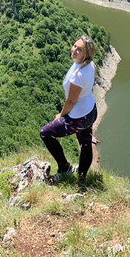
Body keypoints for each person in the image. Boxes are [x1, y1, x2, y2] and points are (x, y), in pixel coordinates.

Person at [40, 35, 97, 183]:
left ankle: (64, 167)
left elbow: (71, 101)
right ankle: (82, 177)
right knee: (86, 143)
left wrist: (61, 115)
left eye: (79, 49)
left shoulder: (78, 76)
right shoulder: (90, 65)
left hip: (78, 117)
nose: (74, 50)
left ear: (86, 54)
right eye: (74, 46)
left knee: (45, 133)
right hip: (90, 111)